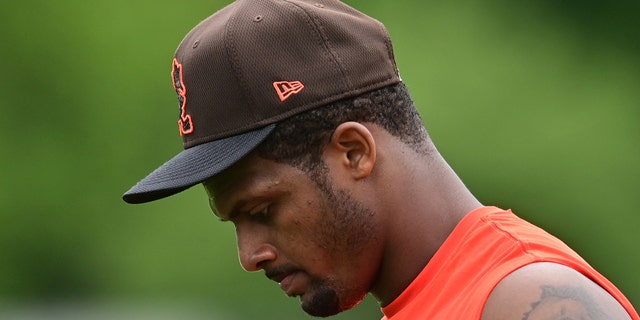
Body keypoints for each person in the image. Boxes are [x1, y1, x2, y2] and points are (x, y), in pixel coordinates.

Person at [123, 0, 639, 319]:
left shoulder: (525, 302)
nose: (249, 254)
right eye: (234, 222)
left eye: (261, 211)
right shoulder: (433, 300)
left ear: (354, 151)